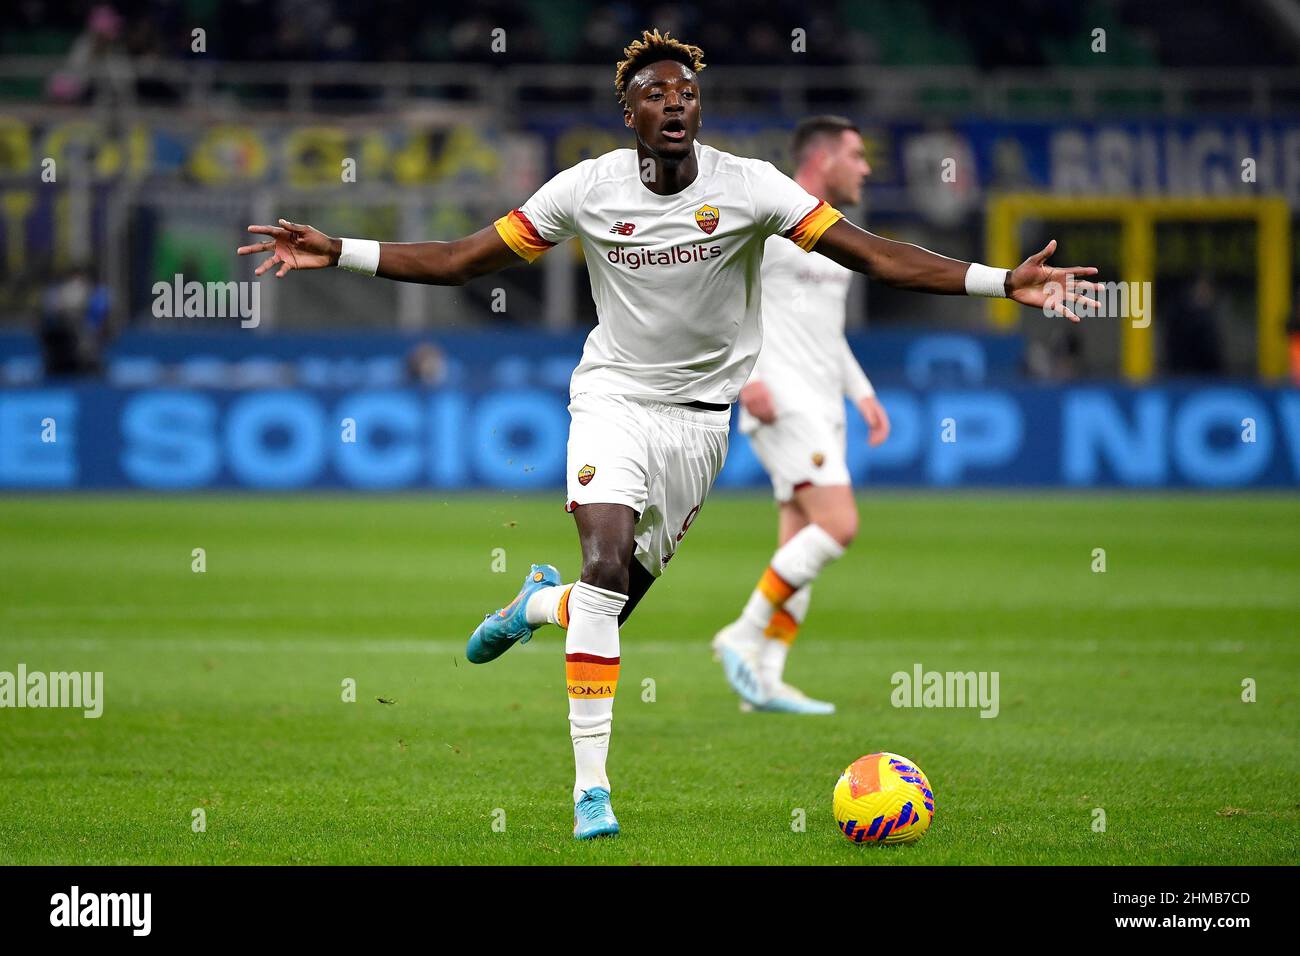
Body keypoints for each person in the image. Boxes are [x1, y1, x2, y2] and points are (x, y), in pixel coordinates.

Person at [237, 29, 1098, 839]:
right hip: (611, 399)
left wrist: (998, 281)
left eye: (687, 92)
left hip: (699, 428)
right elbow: (465, 259)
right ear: (632, 115)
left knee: (605, 606)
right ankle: (591, 791)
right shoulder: (586, 189)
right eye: (656, 93)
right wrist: (339, 247)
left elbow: (871, 253)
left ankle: (535, 605)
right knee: (606, 567)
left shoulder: (751, 186)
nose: (676, 103)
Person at [714, 116, 887, 715]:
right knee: (839, 526)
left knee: (799, 540)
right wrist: (749, 379)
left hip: (823, 402)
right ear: (822, 159)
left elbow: (827, 333)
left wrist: (860, 391)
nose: (866, 168)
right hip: (782, 398)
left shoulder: (838, 235)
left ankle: (765, 679)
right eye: (857, 155)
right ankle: (741, 633)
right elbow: (724, 303)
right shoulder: (770, 218)